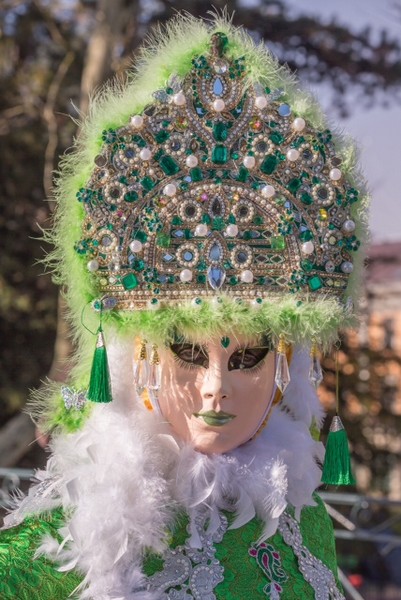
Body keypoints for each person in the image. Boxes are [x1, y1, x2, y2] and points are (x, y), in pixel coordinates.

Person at [0, 13, 368, 599]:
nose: (215, 388)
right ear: (136, 357)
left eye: (246, 357)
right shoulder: (54, 548)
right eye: (189, 353)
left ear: (286, 369)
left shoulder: (302, 521)